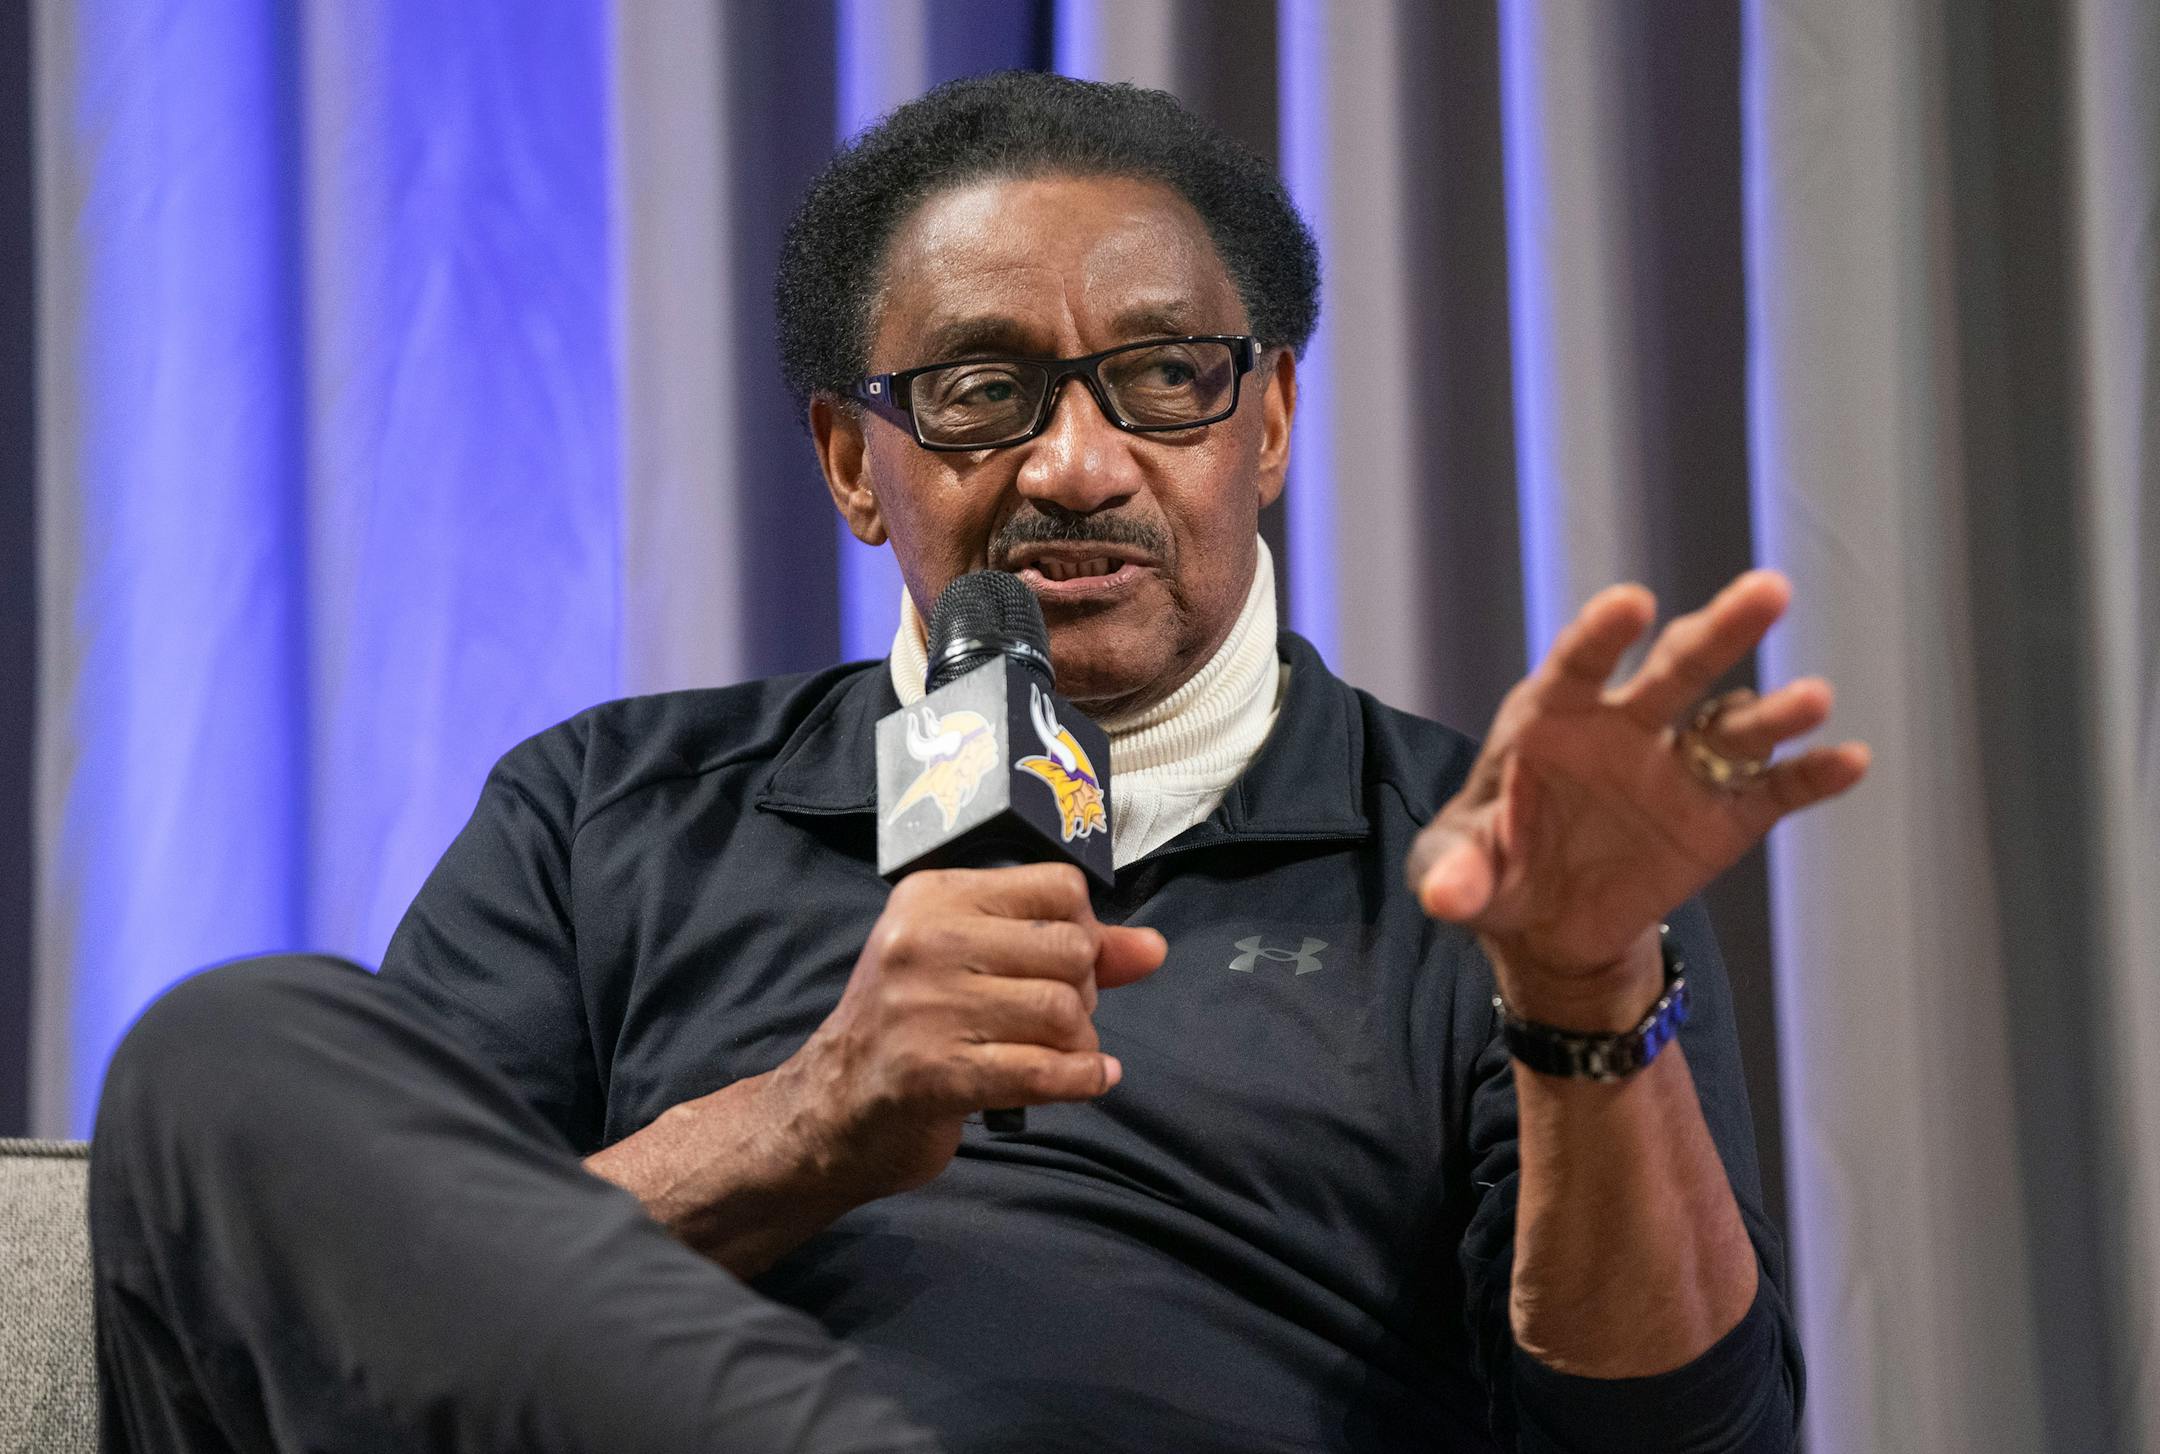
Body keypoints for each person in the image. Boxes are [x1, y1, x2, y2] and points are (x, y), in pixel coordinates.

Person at [91, 73, 1867, 1453]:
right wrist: (807, 1120)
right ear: (855, 463)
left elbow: (1676, 1439)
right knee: (223, 1049)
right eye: (980, 391)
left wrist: (1577, 988)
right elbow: (343, 1321)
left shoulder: (1511, 866)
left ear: (1272, 424)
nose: (1079, 463)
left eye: (1165, 377)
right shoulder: (606, 807)